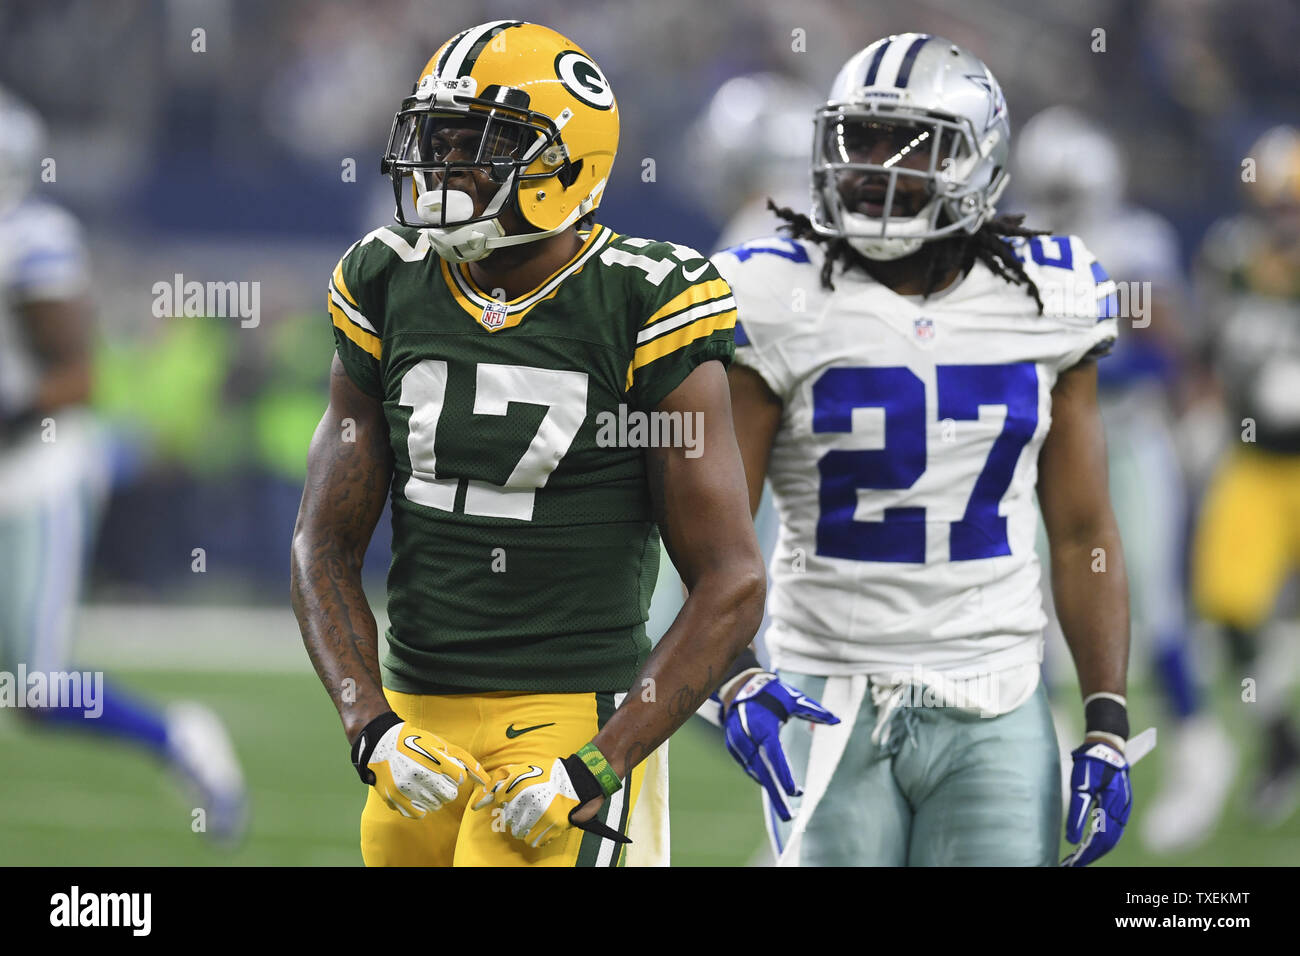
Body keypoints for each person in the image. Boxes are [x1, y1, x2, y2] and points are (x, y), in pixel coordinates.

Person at [290, 20, 766, 867]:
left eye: (481, 143)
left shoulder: (646, 298)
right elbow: (322, 540)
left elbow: (730, 579)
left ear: (566, 162)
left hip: (570, 715)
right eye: (439, 139)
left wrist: (599, 763)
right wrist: (369, 723)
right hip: (417, 722)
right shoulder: (386, 277)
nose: (445, 168)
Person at [711, 34, 1135, 866]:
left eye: (911, 145)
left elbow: (1084, 531)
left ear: (979, 160)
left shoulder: (1050, 291)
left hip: (998, 688)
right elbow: (716, 525)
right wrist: (733, 669)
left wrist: (1108, 720)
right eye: (856, 140)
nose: (874, 166)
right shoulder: (772, 292)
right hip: (827, 687)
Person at [0, 86, 246, 843]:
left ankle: (177, 738)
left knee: (34, 689)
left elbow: (77, 377)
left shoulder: (31, 239)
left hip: (27, 482)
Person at [1014, 105, 1235, 853]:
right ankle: (1041, 763)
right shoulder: (1015, 238)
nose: (1054, 208)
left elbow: (1165, 354)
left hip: (1129, 443)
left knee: (1159, 608)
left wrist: (1087, 360)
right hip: (1041, 444)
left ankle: (1199, 749)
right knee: (1034, 614)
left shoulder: (1135, 240)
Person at [1192, 124, 1300, 827]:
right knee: (1228, 609)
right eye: (1274, 203)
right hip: (1255, 463)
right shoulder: (1229, 257)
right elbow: (1206, 345)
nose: (1281, 218)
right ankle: (1280, 747)